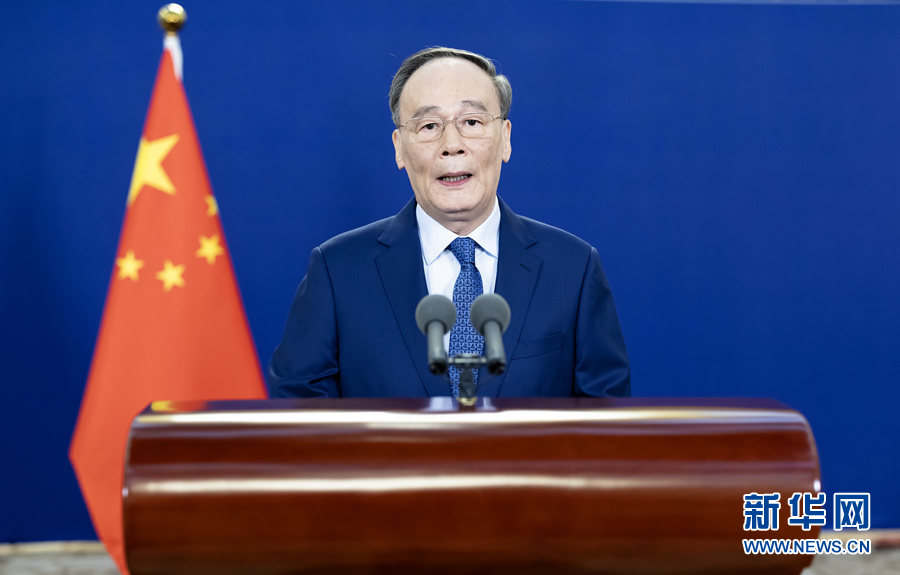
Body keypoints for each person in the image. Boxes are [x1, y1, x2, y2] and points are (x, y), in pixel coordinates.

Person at [268, 47, 630, 398]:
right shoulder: (337, 270)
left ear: (505, 138)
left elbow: (606, 423)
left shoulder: (573, 268)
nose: (451, 144)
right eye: (429, 126)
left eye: (471, 122)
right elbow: (299, 417)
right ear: (399, 147)